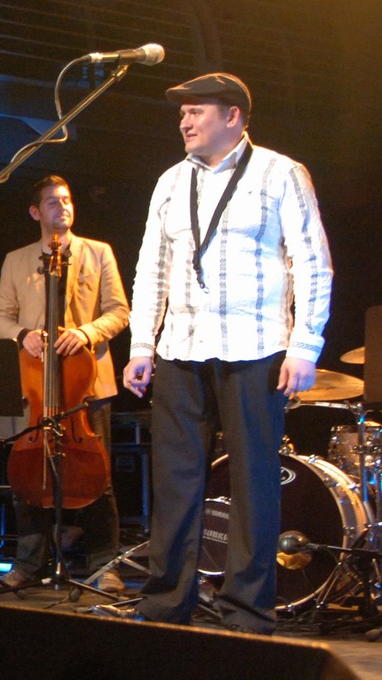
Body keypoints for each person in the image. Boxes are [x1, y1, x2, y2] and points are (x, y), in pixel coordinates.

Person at [113, 73, 332, 634]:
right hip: (181, 348)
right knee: (175, 481)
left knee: (254, 481)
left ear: (233, 116)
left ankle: (247, 611)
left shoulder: (280, 173)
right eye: (182, 114)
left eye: (196, 112)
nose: (184, 122)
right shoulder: (170, 181)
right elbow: (150, 269)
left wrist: (305, 345)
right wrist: (141, 345)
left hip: (256, 346)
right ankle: (167, 602)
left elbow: (313, 262)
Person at [0, 175, 130, 594]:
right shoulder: (16, 260)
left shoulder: (98, 252)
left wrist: (86, 333)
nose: (63, 207)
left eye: (66, 200)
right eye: (52, 202)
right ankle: (28, 564)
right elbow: (0, 317)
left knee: (97, 478)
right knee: (28, 476)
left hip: (87, 384)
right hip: (35, 385)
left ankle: (105, 565)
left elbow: (119, 311)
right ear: (35, 212)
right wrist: (22, 336)